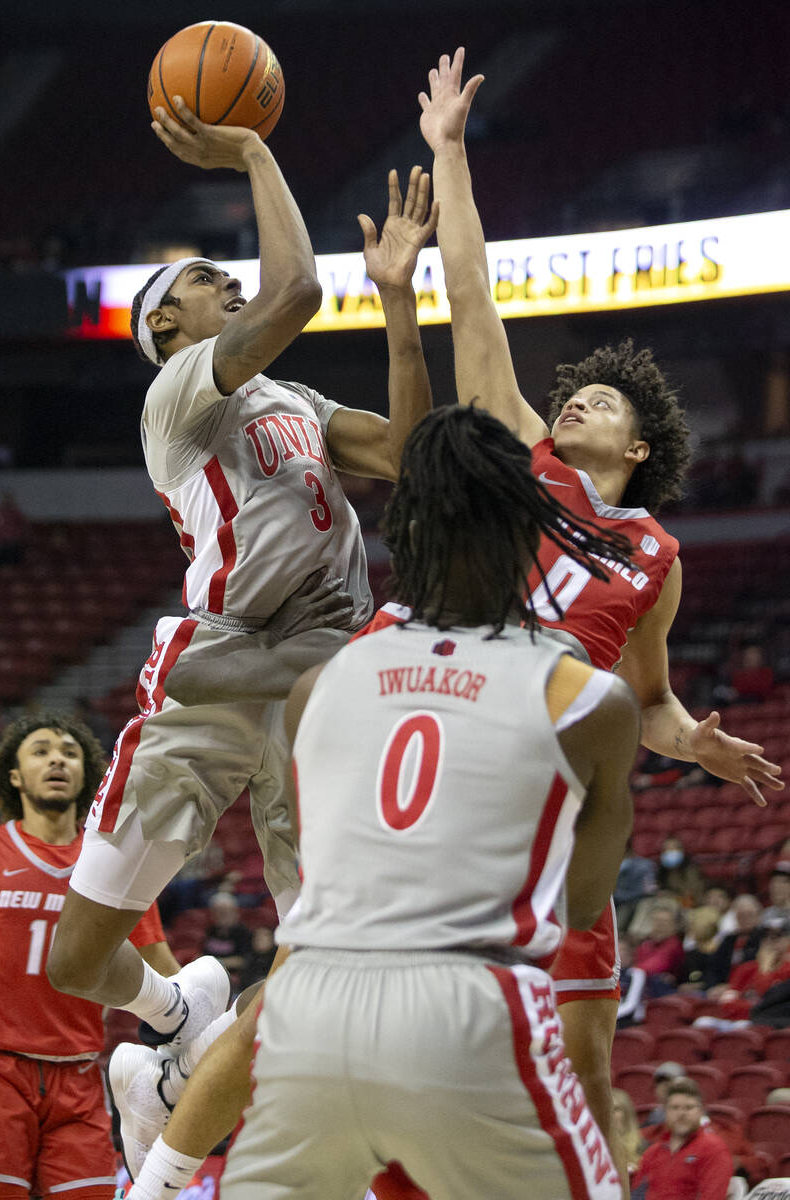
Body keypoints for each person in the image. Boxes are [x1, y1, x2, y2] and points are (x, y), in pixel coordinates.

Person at [414, 47, 783, 1192]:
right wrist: (451, 157)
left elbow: (655, 700)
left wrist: (693, 744)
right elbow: (471, 298)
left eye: (602, 402)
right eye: (573, 389)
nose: (575, 396)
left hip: (568, 793)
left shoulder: (656, 554)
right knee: (436, 1044)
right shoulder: (528, 465)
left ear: (632, 450)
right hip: (477, 742)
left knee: (580, 1053)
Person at [45, 89, 439, 1160]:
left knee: (330, 955)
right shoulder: (177, 395)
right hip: (219, 676)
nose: (228, 280)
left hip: (330, 686)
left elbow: (408, 454)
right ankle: (172, 1020)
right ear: (164, 326)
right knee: (76, 963)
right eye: (203, 281)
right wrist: (255, 150)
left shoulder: (298, 401)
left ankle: (200, 1132)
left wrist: (398, 304)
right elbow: (302, 284)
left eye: (228, 275)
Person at [125, 404, 641, 1199]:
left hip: (317, 1018)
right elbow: (577, 905)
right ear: (526, 533)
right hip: (471, 1013)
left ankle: (154, 1182)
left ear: (402, 533)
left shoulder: (316, 689)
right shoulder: (588, 699)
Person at [0, 712, 179, 1200]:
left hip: (79, 1076)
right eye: (41, 750)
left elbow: (164, 971)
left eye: (70, 752)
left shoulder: (114, 867)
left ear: (88, 774)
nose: (57, 758)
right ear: (14, 776)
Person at [632, 1077, 733, 1200]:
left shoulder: (713, 1149)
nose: (681, 1113)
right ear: (665, 1112)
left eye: (689, 1108)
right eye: (675, 1108)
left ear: (701, 1112)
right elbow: (636, 1194)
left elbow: (712, 1197)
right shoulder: (653, 1152)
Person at [200, 892, 253, 982]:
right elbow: (202, 955)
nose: (222, 915)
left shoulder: (243, 932)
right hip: (211, 976)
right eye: (218, 912)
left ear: (235, 912)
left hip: (234, 978)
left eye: (226, 912)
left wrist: (214, 963)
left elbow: (242, 961)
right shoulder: (211, 931)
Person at [655, 836, 708, 907]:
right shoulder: (660, 871)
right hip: (664, 906)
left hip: (687, 906)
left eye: (674, 848)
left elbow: (692, 896)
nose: (670, 852)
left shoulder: (691, 870)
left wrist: (670, 895)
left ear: (682, 851)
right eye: (666, 849)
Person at [611, 1089, 646, 1178]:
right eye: (607, 1110)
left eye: (616, 1109)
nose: (611, 1115)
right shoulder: (596, 1146)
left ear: (627, 1113)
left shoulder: (642, 1145)